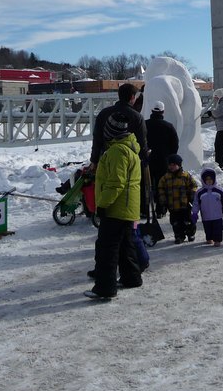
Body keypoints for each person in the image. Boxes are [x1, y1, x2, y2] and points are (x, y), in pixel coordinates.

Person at [84, 112, 143, 300]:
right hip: (127, 207)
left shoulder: (117, 151)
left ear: (110, 132)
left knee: (106, 248)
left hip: (117, 208)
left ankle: (105, 287)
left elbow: (115, 183)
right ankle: (131, 277)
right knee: (126, 245)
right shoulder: (129, 148)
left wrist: (102, 205)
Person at [89, 82, 149, 216]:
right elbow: (141, 140)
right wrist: (144, 157)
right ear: (132, 97)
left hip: (105, 156)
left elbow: (97, 138)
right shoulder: (137, 117)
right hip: (130, 159)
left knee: (108, 183)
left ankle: (104, 207)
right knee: (128, 187)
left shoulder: (104, 113)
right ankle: (135, 210)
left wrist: (94, 160)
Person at [191, 168, 223, 246]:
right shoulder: (199, 192)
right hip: (206, 216)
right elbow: (196, 203)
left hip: (218, 216)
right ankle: (209, 238)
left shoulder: (219, 191)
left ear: (214, 179)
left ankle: (217, 240)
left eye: (211, 179)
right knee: (207, 229)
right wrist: (194, 213)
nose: (209, 181)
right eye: (207, 179)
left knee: (218, 229)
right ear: (203, 180)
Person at [156, 154, 197, 243]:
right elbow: (160, 188)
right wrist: (163, 200)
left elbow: (193, 185)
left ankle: (191, 233)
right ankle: (179, 236)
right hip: (173, 206)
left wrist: (192, 194)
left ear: (179, 165)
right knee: (175, 223)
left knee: (188, 221)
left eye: (174, 165)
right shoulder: (165, 178)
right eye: (170, 165)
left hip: (184, 205)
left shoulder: (185, 175)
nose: (172, 167)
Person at [145, 101, 179, 203]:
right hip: (164, 160)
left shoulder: (144, 124)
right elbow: (175, 144)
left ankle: (145, 207)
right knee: (162, 183)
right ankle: (161, 208)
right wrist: (171, 158)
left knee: (147, 183)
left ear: (152, 111)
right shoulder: (169, 126)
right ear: (163, 112)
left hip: (148, 159)